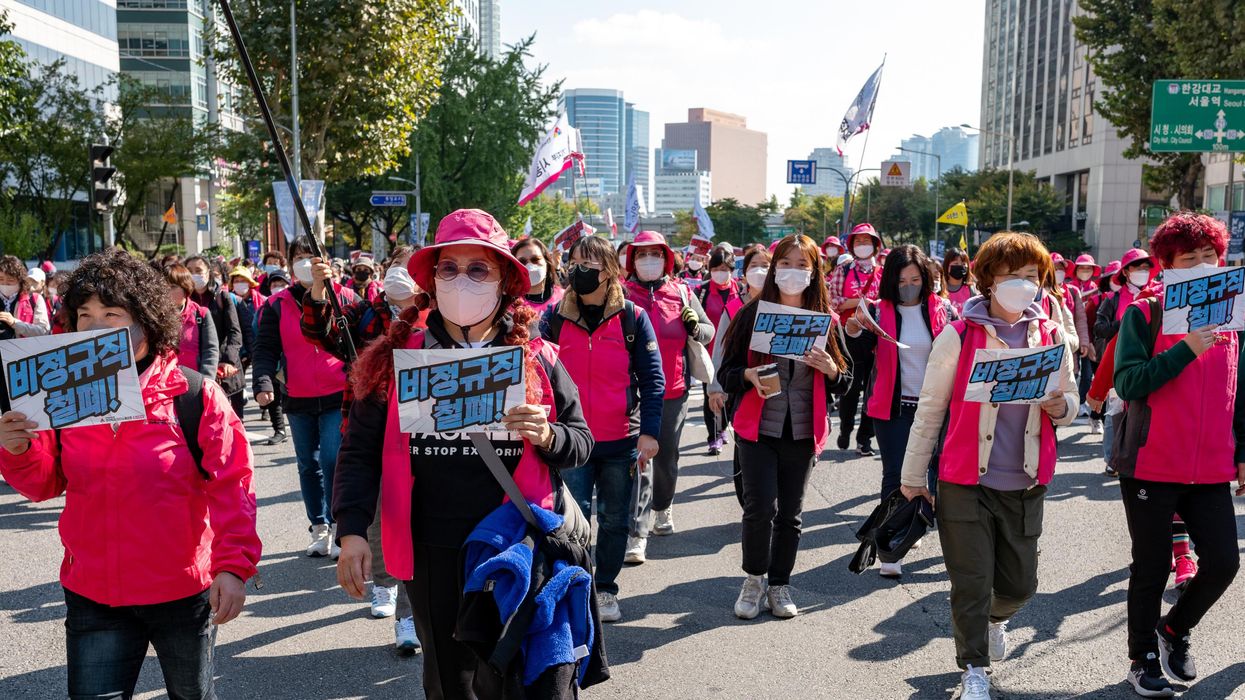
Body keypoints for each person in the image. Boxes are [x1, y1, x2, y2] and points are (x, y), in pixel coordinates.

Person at [334, 209, 598, 698]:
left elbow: (582, 442)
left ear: (504, 282)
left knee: (516, 674)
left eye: (478, 269)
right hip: (431, 546)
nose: (462, 281)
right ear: (431, 280)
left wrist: (549, 435)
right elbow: (358, 454)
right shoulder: (394, 360)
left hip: (515, 541)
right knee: (449, 680)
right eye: (448, 269)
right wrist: (351, 531)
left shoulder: (536, 357)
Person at [0, 248, 260, 699]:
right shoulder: (57, 395)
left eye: (111, 313)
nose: (94, 326)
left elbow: (233, 484)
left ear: (146, 321)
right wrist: (17, 449)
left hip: (182, 592)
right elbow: (42, 484)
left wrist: (233, 567)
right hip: (94, 593)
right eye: (84, 313)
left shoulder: (194, 395)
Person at [899, 232, 1078, 700]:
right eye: (1010, 276)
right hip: (964, 480)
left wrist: (1059, 406)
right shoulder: (958, 335)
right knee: (971, 580)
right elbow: (931, 410)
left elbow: (1072, 402)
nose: (1022, 285)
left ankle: (996, 619)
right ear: (987, 282)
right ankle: (974, 668)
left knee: (1020, 585)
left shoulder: (1051, 335)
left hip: (1024, 480)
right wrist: (912, 478)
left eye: (1030, 276)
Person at [1112, 212, 1244, 698]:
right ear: (1167, 266)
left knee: (1224, 563)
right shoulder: (1144, 313)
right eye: (1190, 260)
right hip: (1152, 461)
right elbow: (1127, 382)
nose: (1204, 266)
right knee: (1151, 567)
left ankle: (1174, 629)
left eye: (1210, 257)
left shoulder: (1234, 315)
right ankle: (1141, 656)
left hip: (1211, 464)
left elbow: (1240, 391)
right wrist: (1185, 349)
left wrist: (1242, 451)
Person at [718, 234, 850, 619]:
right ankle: (754, 580)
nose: (793, 272)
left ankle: (780, 584)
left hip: (804, 430)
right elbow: (726, 373)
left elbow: (846, 381)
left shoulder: (828, 321)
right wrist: (747, 374)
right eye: (786, 264)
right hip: (757, 429)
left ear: (815, 273)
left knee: (791, 513)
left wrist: (832, 369)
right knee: (759, 507)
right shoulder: (751, 315)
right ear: (775, 269)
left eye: (802, 265)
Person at [301, 246, 424, 652]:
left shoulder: (442, 317)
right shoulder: (366, 313)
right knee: (375, 515)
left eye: (407, 269)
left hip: (423, 436)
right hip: (374, 428)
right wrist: (319, 291)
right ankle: (384, 585)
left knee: (417, 524)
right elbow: (325, 334)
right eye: (394, 268)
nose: (398, 276)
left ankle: (409, 615)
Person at [539, 233, 664, 621]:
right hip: (571, 442)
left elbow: (652, 379)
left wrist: (650, 431)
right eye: (573, 264)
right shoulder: (554, 318)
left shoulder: (633, 317)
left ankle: (606, 589)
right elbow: (536, 373)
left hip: (620, 440)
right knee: (572, 520)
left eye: (588, 266)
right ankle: (575, 585)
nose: (578, 272)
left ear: (609, 272)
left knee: (613, 520)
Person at [845, 244, 955, 578]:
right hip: (893, 408)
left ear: (926, 278)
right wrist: (852, 331)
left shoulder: (944, 310)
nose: (909, 285)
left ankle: (937, 531)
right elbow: (860, 356)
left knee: (941, 474)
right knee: (897, 475)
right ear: (891, 281)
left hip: (937, 406)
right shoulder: (877, 311)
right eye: (902, 279)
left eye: (916, 278)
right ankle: (890, 547)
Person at [252, 236, 360, 558]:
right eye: (298, 257)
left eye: (311, 256)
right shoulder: (276, 304)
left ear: (324, 261)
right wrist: (263, 380)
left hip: (337, 393)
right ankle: (319, 525)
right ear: (289, 263)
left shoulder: (346, 298)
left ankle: (340, 525)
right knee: (307, 465)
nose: (305, 262)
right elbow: (266, 348)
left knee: (331, 458)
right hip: (297, 396)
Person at [623, 231, 714, 551]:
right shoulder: (620, 294)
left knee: (667, 457)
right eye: (642, 254)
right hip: (633, 392)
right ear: (632, 259)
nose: (649, 259)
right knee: (639, 457)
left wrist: (695, 326)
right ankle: (638, 529)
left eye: (656, 253)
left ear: (666, 258)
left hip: (674, 390)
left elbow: (707, 331)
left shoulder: (682, 292)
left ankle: (663, 507)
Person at [828, 223, 885, 456]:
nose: (863, 245)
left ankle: (865, 439)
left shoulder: (883, 272)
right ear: (852, 245)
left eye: (867, 241)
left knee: (873, 389)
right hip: (848, 335)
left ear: (875, 245)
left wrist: (872, 304)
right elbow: (833, 300)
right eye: (858, 241)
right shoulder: (843, 270)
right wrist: (860, 303)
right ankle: (846, 427)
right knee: (851, 389)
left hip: (877, 336)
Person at [697, 245, 746, 456]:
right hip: (709, 353)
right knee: (712, 394)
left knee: (731, 395)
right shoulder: (702, 291)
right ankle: (713, 436)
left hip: (735, 353)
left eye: (725, 268)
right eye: (716, 268)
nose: (720, 272)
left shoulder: (741, 290)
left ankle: (723, 427)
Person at [185, 255, 245, 416]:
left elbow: (234, 331)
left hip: (225, 367)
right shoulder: (183, 301)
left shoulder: (221, 297)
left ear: (208, 273)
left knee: (231, 420)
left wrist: (228, 360)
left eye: (198, 270)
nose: (194, 274)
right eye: (189, 271)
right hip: (196, 370)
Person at [163, 263, 220, 380]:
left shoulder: (201, 314)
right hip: (164, 386)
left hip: (194, 384)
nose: (167, 292)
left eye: (173, 287)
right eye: (164, 287)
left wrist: (206, 381)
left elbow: (210, 351)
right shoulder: (156, 316)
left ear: (185, 288)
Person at [1094, 249, 1157, 347]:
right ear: (1124, 272)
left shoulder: (1157, 294)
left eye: (1145, 268)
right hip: (1121, 355)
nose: (1142, 272)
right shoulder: (1113, 298)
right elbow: (1099, 329)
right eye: (1138, 268)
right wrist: (1125, 322)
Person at [0, 255, 50, 340]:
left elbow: (43, 330)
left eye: (10, 280)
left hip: (24, 351)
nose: (5, 284)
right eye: (1, 279)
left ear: (20, 280)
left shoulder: (34, 299)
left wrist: (14, 323)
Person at [513, 237, 564, 319]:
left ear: (547, 262)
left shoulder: (564, 299)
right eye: (522, 262)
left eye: (535, 259)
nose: (529, 266)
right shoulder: (509, 306)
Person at [942, 248, 976, 315]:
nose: (960, 266)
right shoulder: (941, 289)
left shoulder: (972, 289)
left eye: (963, 264)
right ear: (947, 266)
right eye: (956, 263)